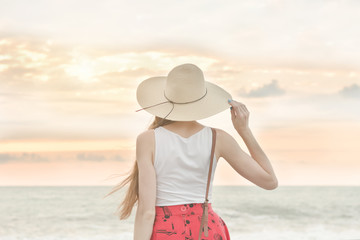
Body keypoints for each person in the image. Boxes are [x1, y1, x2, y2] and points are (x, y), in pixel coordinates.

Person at [105, 63, 278, 240]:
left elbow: (146, 213)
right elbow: (269, 181)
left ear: (165, 100)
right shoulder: (218, 138)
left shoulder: (148, 139)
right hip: (207, 229)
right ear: (202, 102)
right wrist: (244, 131)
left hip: (167, 231)